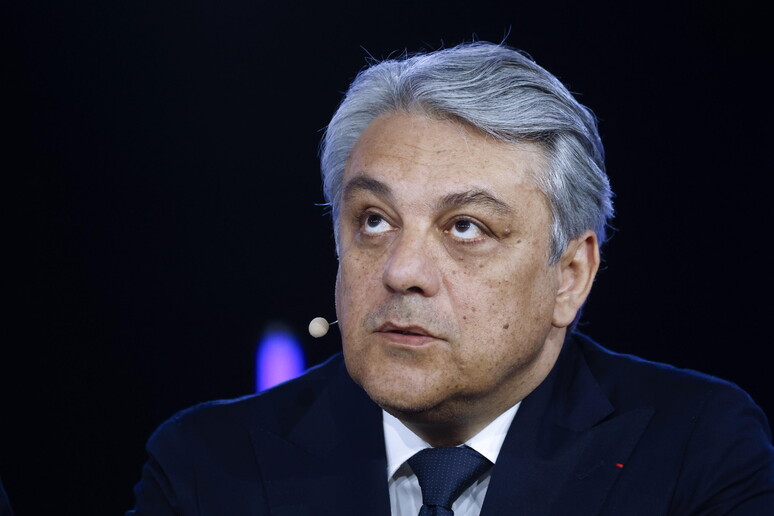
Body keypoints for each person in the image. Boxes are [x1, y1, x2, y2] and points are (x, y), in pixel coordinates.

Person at [128, 42, 774, 515]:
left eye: (466, 227)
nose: (402, 271)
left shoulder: (698, 450)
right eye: (375, 221)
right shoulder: (207, 466)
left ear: (570, 276)